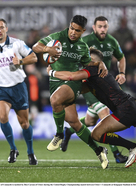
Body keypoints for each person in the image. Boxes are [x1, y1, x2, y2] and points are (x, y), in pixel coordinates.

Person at [32, 15, 109, 169]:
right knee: (74, 123)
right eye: (72, 28)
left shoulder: (82, 46)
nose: (73, 32)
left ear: (83, 31)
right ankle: (99, 150)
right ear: (69, 25)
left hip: (72, 82)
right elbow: (35, 47)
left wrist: (100, 63)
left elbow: (88, 63)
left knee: (55, 101)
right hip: (55, 82)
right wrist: (48, 49)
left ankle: (59, 134)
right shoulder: (58, 37)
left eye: (77, 30)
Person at [60, 16, 128, 163]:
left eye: (105, 26)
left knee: (90, 121)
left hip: (105, 85)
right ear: (94, 27)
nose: (102, 29)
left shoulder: (112, 42)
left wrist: (122, 73)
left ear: (107, 27)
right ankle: (116, 154)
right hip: (89, 85)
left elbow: (121, 58)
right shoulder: (85, 41)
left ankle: (69, 130)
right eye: (100, 26)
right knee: (105, 115)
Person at [0, 18, 38, 165]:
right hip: (0, 88)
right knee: (3, 117)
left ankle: (30, 152)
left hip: (18, 87)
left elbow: (34, 57)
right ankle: (13, 149)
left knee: (24, 123)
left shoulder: (17, 44)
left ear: (6, 29)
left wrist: (21, 61)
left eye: (2, 27)